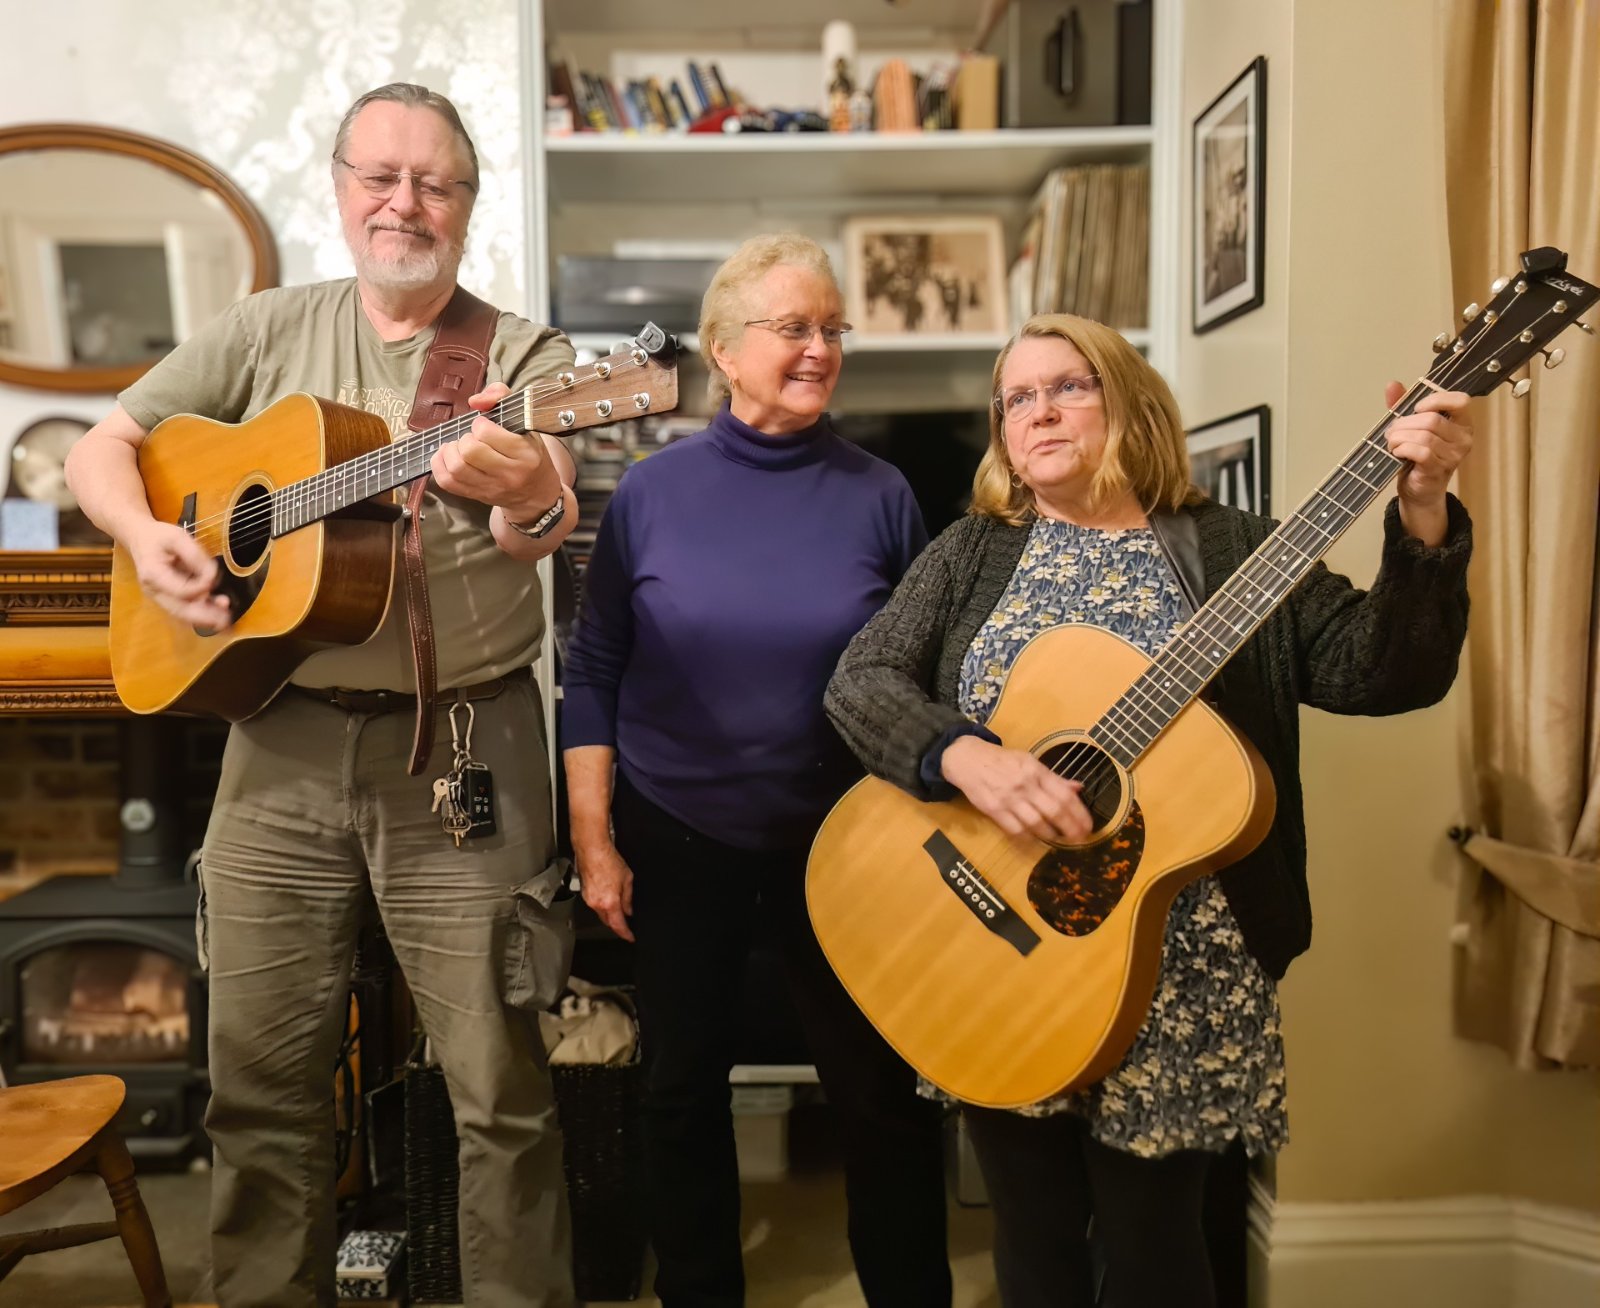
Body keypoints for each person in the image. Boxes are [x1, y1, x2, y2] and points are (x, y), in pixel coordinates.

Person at [824, 313, 1474, 1308]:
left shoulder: (1230, 552)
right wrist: (962, 756)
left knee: (1156, 1256)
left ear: (1130, 401)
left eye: (1068, 386)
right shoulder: (971, 553)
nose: (1037, 411)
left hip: (1185, 966)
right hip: (998, 947)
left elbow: (1380, 674)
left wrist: (1422, 507)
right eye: (1015, 398)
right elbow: (860, 679)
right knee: (1032, 1243)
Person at [65, 84, 580, 1308]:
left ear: (466, 202)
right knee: (260, 1086)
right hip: (278, 743)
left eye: (435, 183)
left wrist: (515, 484)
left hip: (460, 750)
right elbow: (104, 448)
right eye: (380, 177)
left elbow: (543, 520)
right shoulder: (264, 328)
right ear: (342, 187)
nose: (405, 203)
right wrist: (147, 539)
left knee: (499, 1091)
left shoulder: (523, 360)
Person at [561, 233, 951, 1308]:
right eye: (795, 328)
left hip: (845, 840)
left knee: (877, 1096)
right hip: (677, 833)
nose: (820, 348)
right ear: (725, 352)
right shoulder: (650, 494)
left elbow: (910, 677)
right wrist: (595, 841)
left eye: (833, 328)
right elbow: (593, 672)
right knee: (680, 1093)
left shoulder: (882, 494)